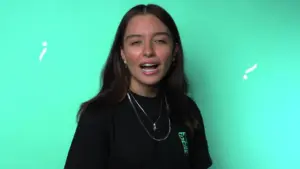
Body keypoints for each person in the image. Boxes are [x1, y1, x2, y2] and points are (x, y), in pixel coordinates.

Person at [64, 4, 213, 169]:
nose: (148, 51)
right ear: (123, 53)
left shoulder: (188, 110)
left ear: (174, 51)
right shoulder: (98, 115)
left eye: (160, 41)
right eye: (136, 42)